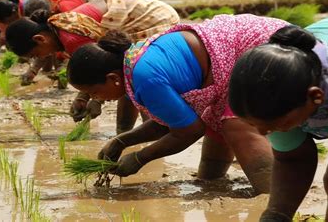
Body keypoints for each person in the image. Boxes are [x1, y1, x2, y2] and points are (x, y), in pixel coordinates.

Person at [66, 14, 289, 194]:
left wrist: (141, 157)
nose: (98, 98)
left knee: (235, 123)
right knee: (214, 133)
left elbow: (189, 131)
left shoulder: (145, 77)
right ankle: (216, 184)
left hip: (265, 49)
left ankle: (271, 200)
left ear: (112, 78)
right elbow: (168, 122)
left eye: (94, 92)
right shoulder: (134, 62)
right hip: (235, 59)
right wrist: (121, 141)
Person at [228, 11, 328, 221]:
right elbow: (293, 160)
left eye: (277, 124)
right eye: (255, 125)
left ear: (315, 96)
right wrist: (276, 215)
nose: (262, 133)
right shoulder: (283, 82)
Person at [6, 0, 180, 133]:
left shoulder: (72, 39)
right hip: (136, 10)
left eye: (36, 54)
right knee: (127, 80)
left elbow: (105, 68)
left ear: (40, 39)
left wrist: (96, 101)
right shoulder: (59, 24)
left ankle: (143, 133)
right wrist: (83, 99)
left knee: (131, 80)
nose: (42, 58)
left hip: (151, 20)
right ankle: (130, 134)